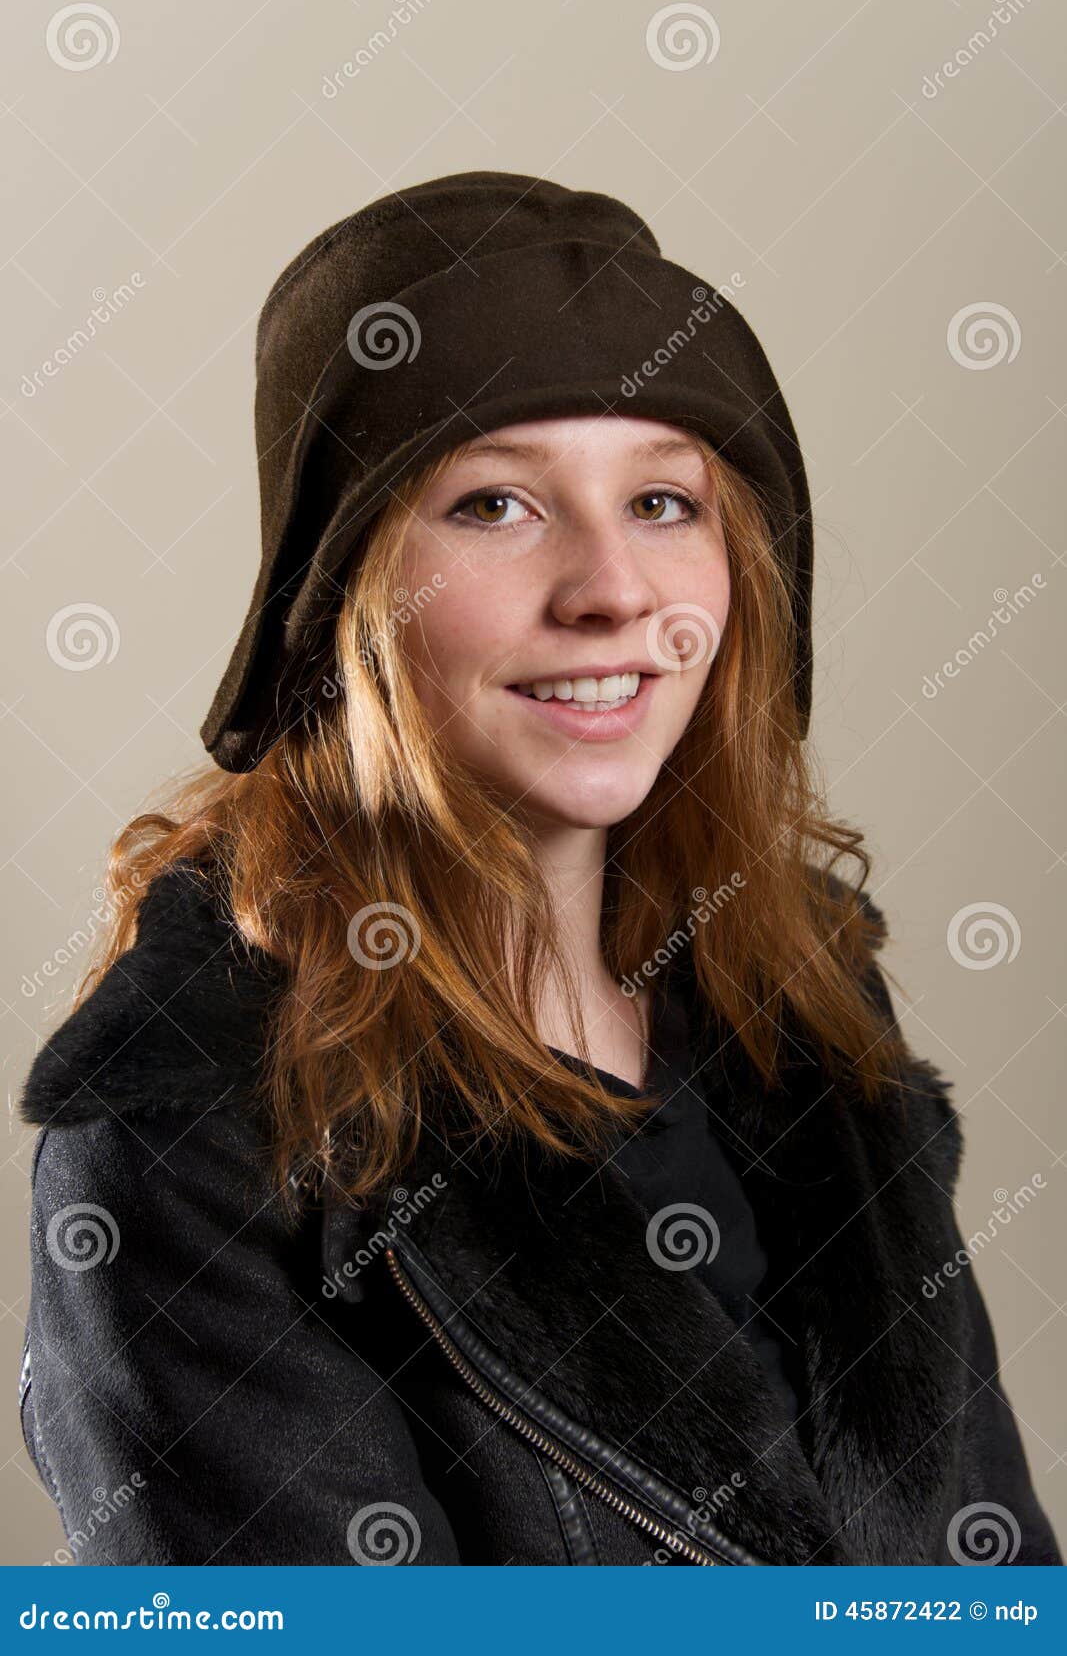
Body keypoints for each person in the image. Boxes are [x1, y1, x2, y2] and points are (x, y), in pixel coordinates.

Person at [16, 172, 1061, 1568]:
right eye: (498, 502)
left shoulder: (806, 1009)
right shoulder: (186, 1121)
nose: (612, 588)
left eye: (663, 499)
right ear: (341, 595)